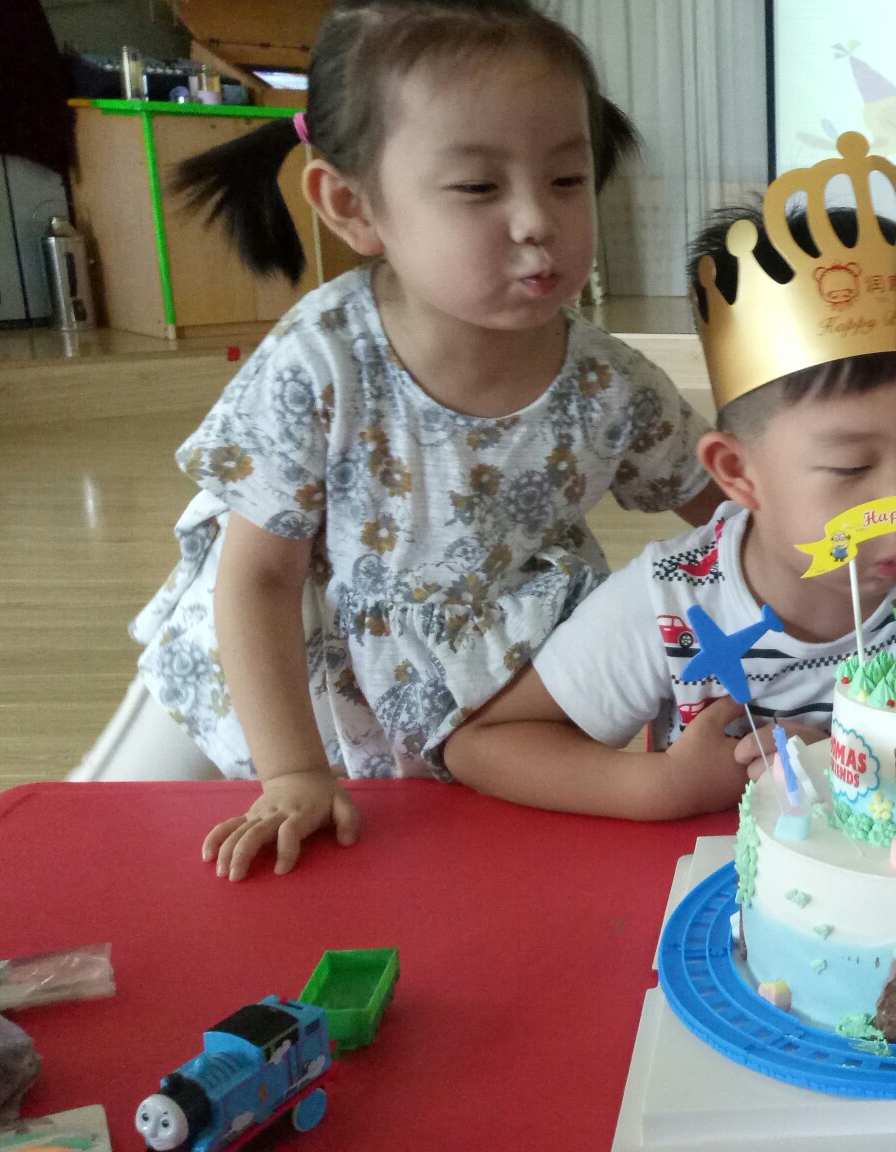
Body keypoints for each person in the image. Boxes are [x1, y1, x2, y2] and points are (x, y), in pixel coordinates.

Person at [72, 0, 720, 883]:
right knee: (123, 852)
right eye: (479, 188)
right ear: (352, 206)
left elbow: (731, 511)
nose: (537, 219)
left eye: (567, 179)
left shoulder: (611, 385)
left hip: (493, 702)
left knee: (443, 886)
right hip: (285, 684)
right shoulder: (320, 363)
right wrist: (290, 773)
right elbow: (258, 581)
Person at [445, 188, 896, 818]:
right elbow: (482, 746)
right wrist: (666, 784)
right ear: (738, 473)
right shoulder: (673, 602)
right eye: (851, 468)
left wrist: (852, 762)